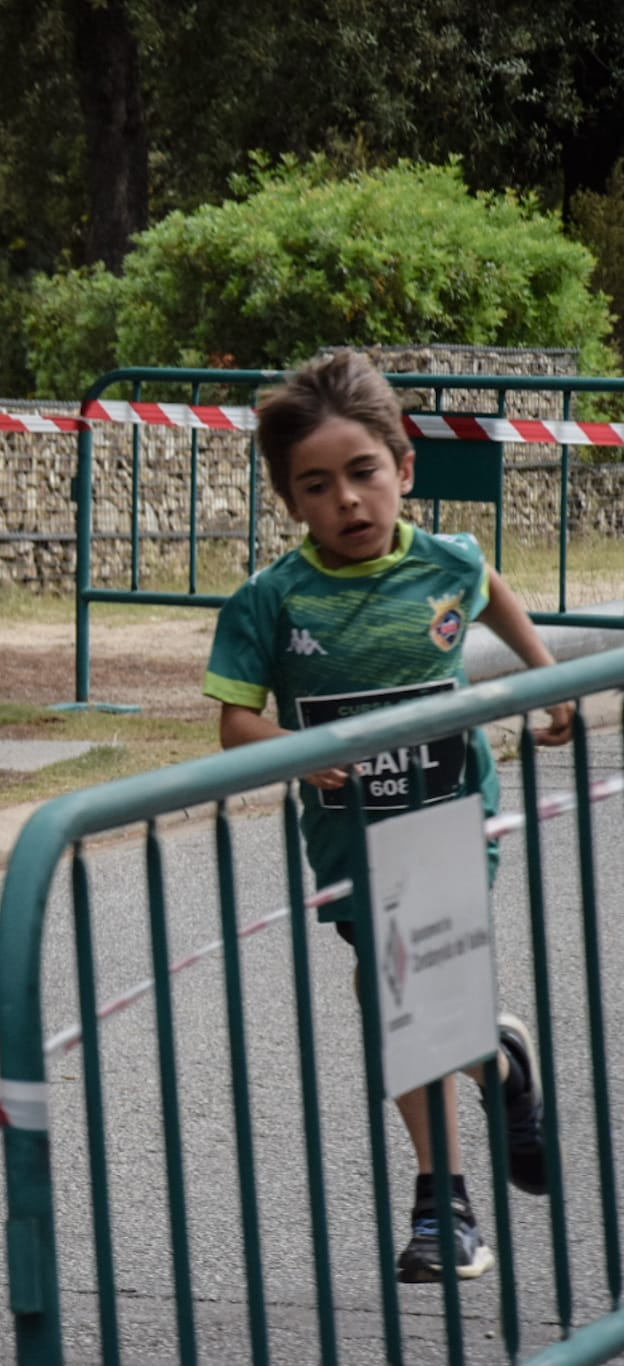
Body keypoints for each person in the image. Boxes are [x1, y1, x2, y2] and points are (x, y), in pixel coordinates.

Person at [202, 349, 571, 1284]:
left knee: (400, 992)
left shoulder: (445, 560)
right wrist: (300, 749)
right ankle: (501, 1064)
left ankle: (442, 1205)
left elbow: (486, 590)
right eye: (317, 486)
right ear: (291, 502)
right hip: (346, 837)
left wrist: (544, 678)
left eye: (365, 474)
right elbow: (235, 724)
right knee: (409, 991)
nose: (349, 502)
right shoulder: (270, 601)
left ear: (403, 470)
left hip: (451, 813)